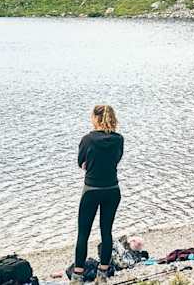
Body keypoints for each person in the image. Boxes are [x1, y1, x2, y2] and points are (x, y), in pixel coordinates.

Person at [72, 105, 124, 285]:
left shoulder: (87, 139)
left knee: (83, 234)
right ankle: (102, 276)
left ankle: (77, 277)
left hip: (92, 190)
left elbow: (81, 163)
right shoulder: (118, 139)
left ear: (96, 118)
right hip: (112, 189)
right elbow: (116, 160)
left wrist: (90, 164)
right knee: (106, 232)